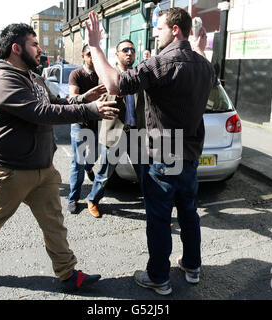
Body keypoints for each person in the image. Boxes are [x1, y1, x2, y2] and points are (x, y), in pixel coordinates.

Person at [0, 23, 119, 290]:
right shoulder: (2, 80)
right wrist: (90, 109)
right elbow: (41, 113)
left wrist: (82, 99)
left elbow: (55, 104)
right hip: (7, 170)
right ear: (17, 49)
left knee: (54, 222)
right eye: (34, 44)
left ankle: (67, 273)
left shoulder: (33, 76)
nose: (40, 50)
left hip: (42, 167)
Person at [86, 8, 215, 295]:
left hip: (164, 156)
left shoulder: (160, 63)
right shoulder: (204, 65)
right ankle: (192, 267)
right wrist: (199, 49)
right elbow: (206, 77)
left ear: (176, 30)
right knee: (189, 213)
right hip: (191, 156)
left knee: (159, 219)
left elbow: (113, 84)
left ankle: (158, 277)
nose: (155, 32)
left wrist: (95, 46)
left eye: (159, 27)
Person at [85, 39, 145, 218]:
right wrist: (117, 92)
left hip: (135, 132)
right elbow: (101, 101)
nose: (129, 53)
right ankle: (92, 200)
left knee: (144, 173)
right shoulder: (108, 74)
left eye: (132, 50)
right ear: (117, 55)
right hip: (115, 131)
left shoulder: (139, 75)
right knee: (105, 173)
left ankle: (154, 206)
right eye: (125, 50)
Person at [67, 44, 106, 214]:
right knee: (77, 163)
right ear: (83, 56)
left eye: (95, 54)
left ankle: (89, 167)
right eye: (89, 54)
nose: (92, 57)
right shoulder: (76, 74)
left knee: (95, 155)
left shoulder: (101, 74)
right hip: (80, 125)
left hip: (98, 124)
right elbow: (73, 98)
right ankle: (73, 198)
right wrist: (88, 96)